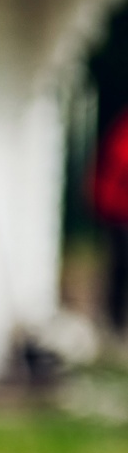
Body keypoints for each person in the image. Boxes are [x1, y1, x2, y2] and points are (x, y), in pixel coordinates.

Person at [93, 108, 128, 335]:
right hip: (119, 210)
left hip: (115, 207)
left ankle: (116, 319)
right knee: (120, 266)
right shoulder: (123, 130)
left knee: (119, 267)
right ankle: (115, 322)